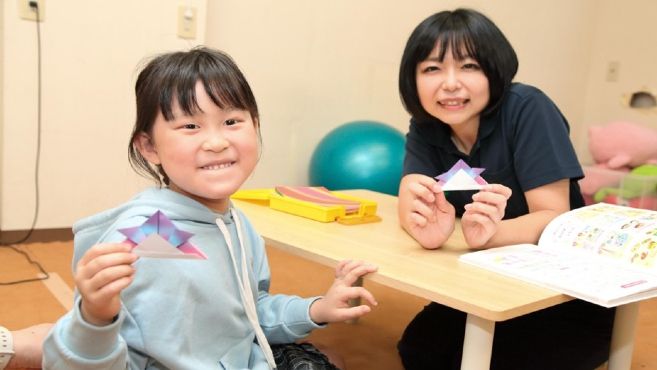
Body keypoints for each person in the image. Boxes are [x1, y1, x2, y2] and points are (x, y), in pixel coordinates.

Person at [42, 47, 378, 370]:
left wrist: (317, 309)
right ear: (149, 146)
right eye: (190, 126)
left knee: (330, 357)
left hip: (239, 357)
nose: (217, 142)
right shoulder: (148, 237)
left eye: (232, 121)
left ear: (256, 126)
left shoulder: (236, 223)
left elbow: (247, 312)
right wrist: (94, 316)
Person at [396, 8, 615, 370]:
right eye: (432, 69)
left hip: (563, 295)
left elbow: (553, 216)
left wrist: (492, 235)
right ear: (413, 79)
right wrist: (426, 230)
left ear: (494, 70)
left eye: (468, 66)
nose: (450, 83)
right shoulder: (426, 124)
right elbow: (410, 192)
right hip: (484, 280)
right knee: (419, 352)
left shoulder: (528, 109)